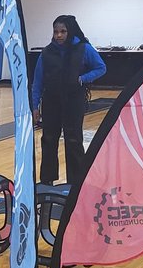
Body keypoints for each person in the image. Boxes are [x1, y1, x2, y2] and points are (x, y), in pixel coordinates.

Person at [33, 14, 106, 188]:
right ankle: (47, 180)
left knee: (73, 139)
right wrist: (34, 106)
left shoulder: (84, 48)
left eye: (63, 31)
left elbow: (101, 67)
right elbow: (37, 81)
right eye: (55, 31)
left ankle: (76, 181)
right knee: (49, 139)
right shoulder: (46, 52)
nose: (58, 35)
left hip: (74, 100)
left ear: (70, 31)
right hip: (51, 100)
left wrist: (83, 78)